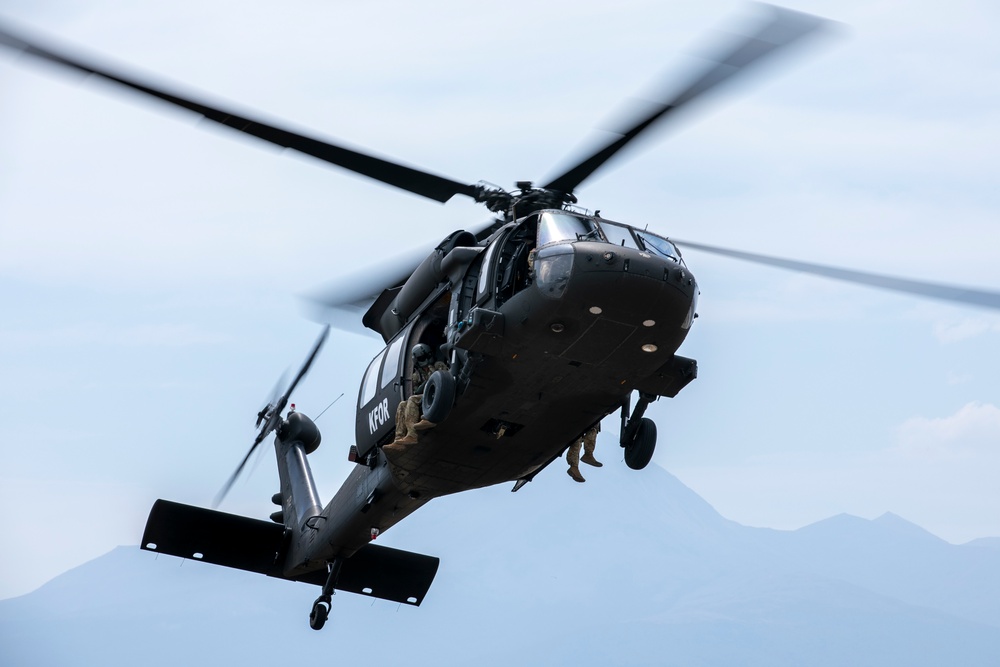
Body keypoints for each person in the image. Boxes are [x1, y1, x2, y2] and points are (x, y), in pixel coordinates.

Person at [384, 344, 448, 454]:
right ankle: (399, 439)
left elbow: (445, 377)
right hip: (426, 398)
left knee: (412, 399)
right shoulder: (417, 375)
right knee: (402, 405)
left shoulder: (438, 365)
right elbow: (416, 390)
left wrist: (431, 372)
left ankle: (412, 435)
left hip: (439, 393)